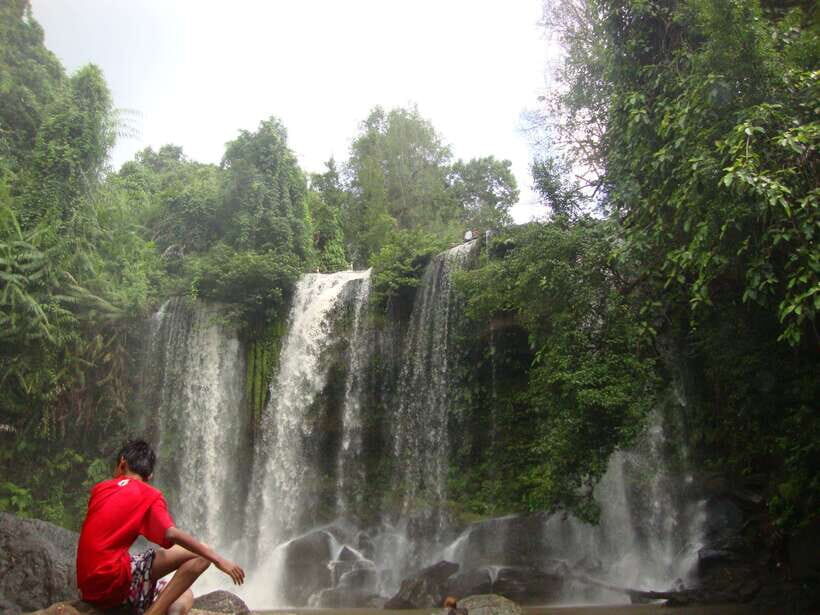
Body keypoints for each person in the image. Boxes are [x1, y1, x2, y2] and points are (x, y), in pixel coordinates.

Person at [76, 440, 244, 615]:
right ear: (149, 477)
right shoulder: (149, 494)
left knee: (170, 585)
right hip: (113, 584)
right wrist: (218, 560)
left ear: (122, 463)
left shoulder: (100, 489)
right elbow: (170, 534)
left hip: (87, 588)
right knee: (200, 560)